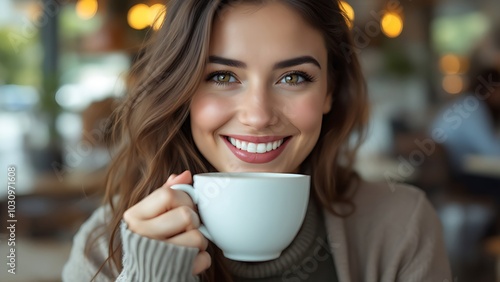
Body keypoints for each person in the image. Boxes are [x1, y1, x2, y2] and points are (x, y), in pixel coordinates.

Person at [63, 0, 451, 281]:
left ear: (330, 91)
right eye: (222, 76)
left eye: (294, 77)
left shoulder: (401, 226)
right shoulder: (107, 245)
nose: (259, 115)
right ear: (181, 90)